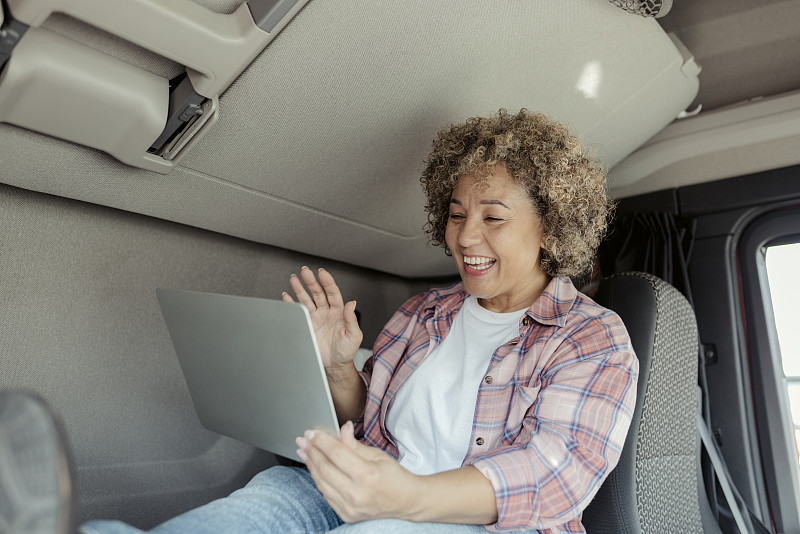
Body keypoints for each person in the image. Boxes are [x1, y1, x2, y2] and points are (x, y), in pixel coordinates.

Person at [11, 109, 637, 534]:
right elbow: (373, 422)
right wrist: (338, 367)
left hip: (465, 523)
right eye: (455, 214)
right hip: (355, 487)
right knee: (250, 509)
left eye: (493, 217)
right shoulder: (425, 312)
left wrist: (406, 497)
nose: (465, 236)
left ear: (551, 226)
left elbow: (554, 474)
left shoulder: (592, 339)